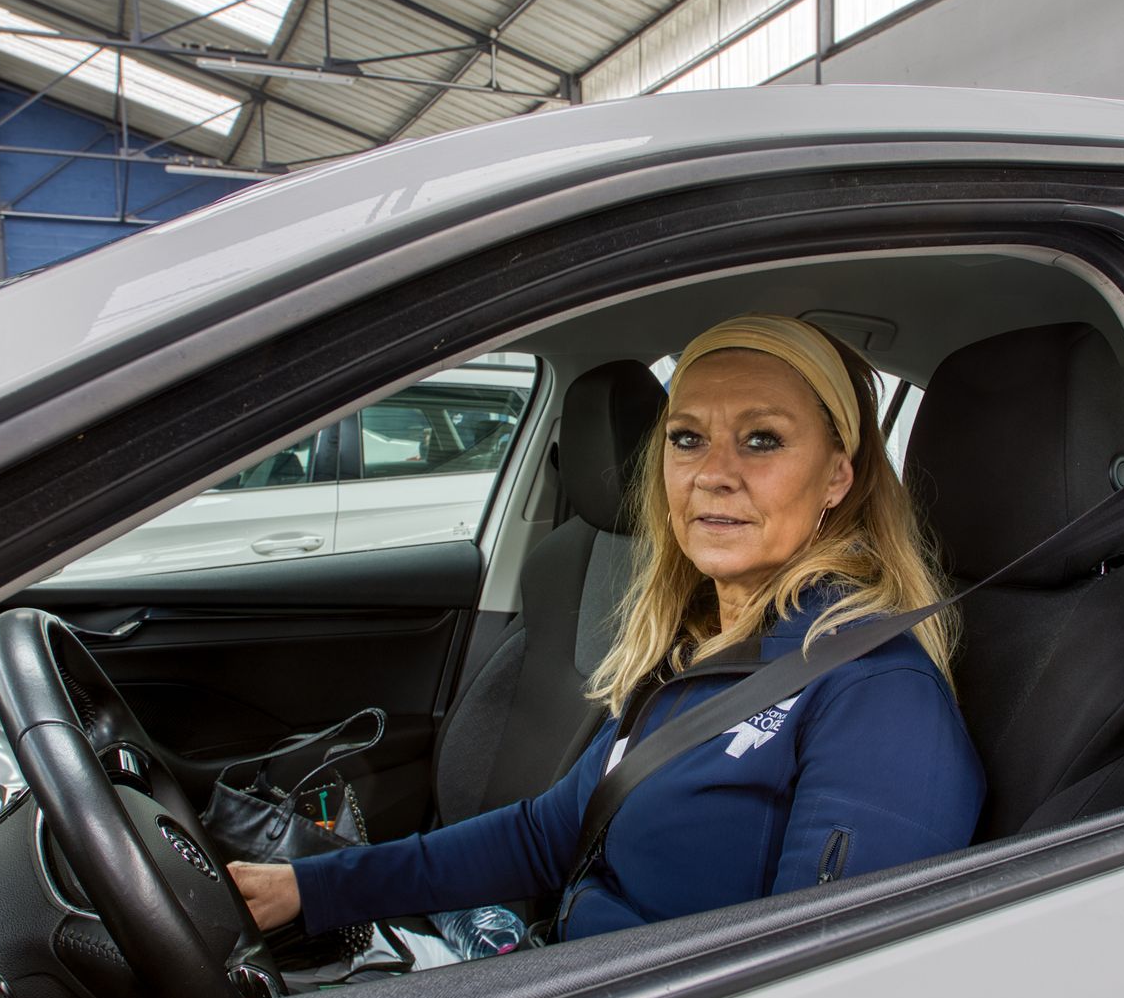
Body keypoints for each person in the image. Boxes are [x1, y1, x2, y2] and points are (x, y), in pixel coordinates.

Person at [229, 315, 985, 944]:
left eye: (762, 440)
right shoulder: (689, 651)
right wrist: (308, 889)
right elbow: (541, 837)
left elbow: (820, 991)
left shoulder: (878, 692)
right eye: (687, 437)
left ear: (837, 477)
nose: (712, 473)